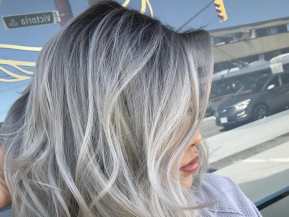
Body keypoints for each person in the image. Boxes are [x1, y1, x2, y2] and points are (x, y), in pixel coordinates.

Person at [0, 1, 262, 216]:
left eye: (190, 111)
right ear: (100, 135)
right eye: (166, 120)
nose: (196, 136)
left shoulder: (223, 199)